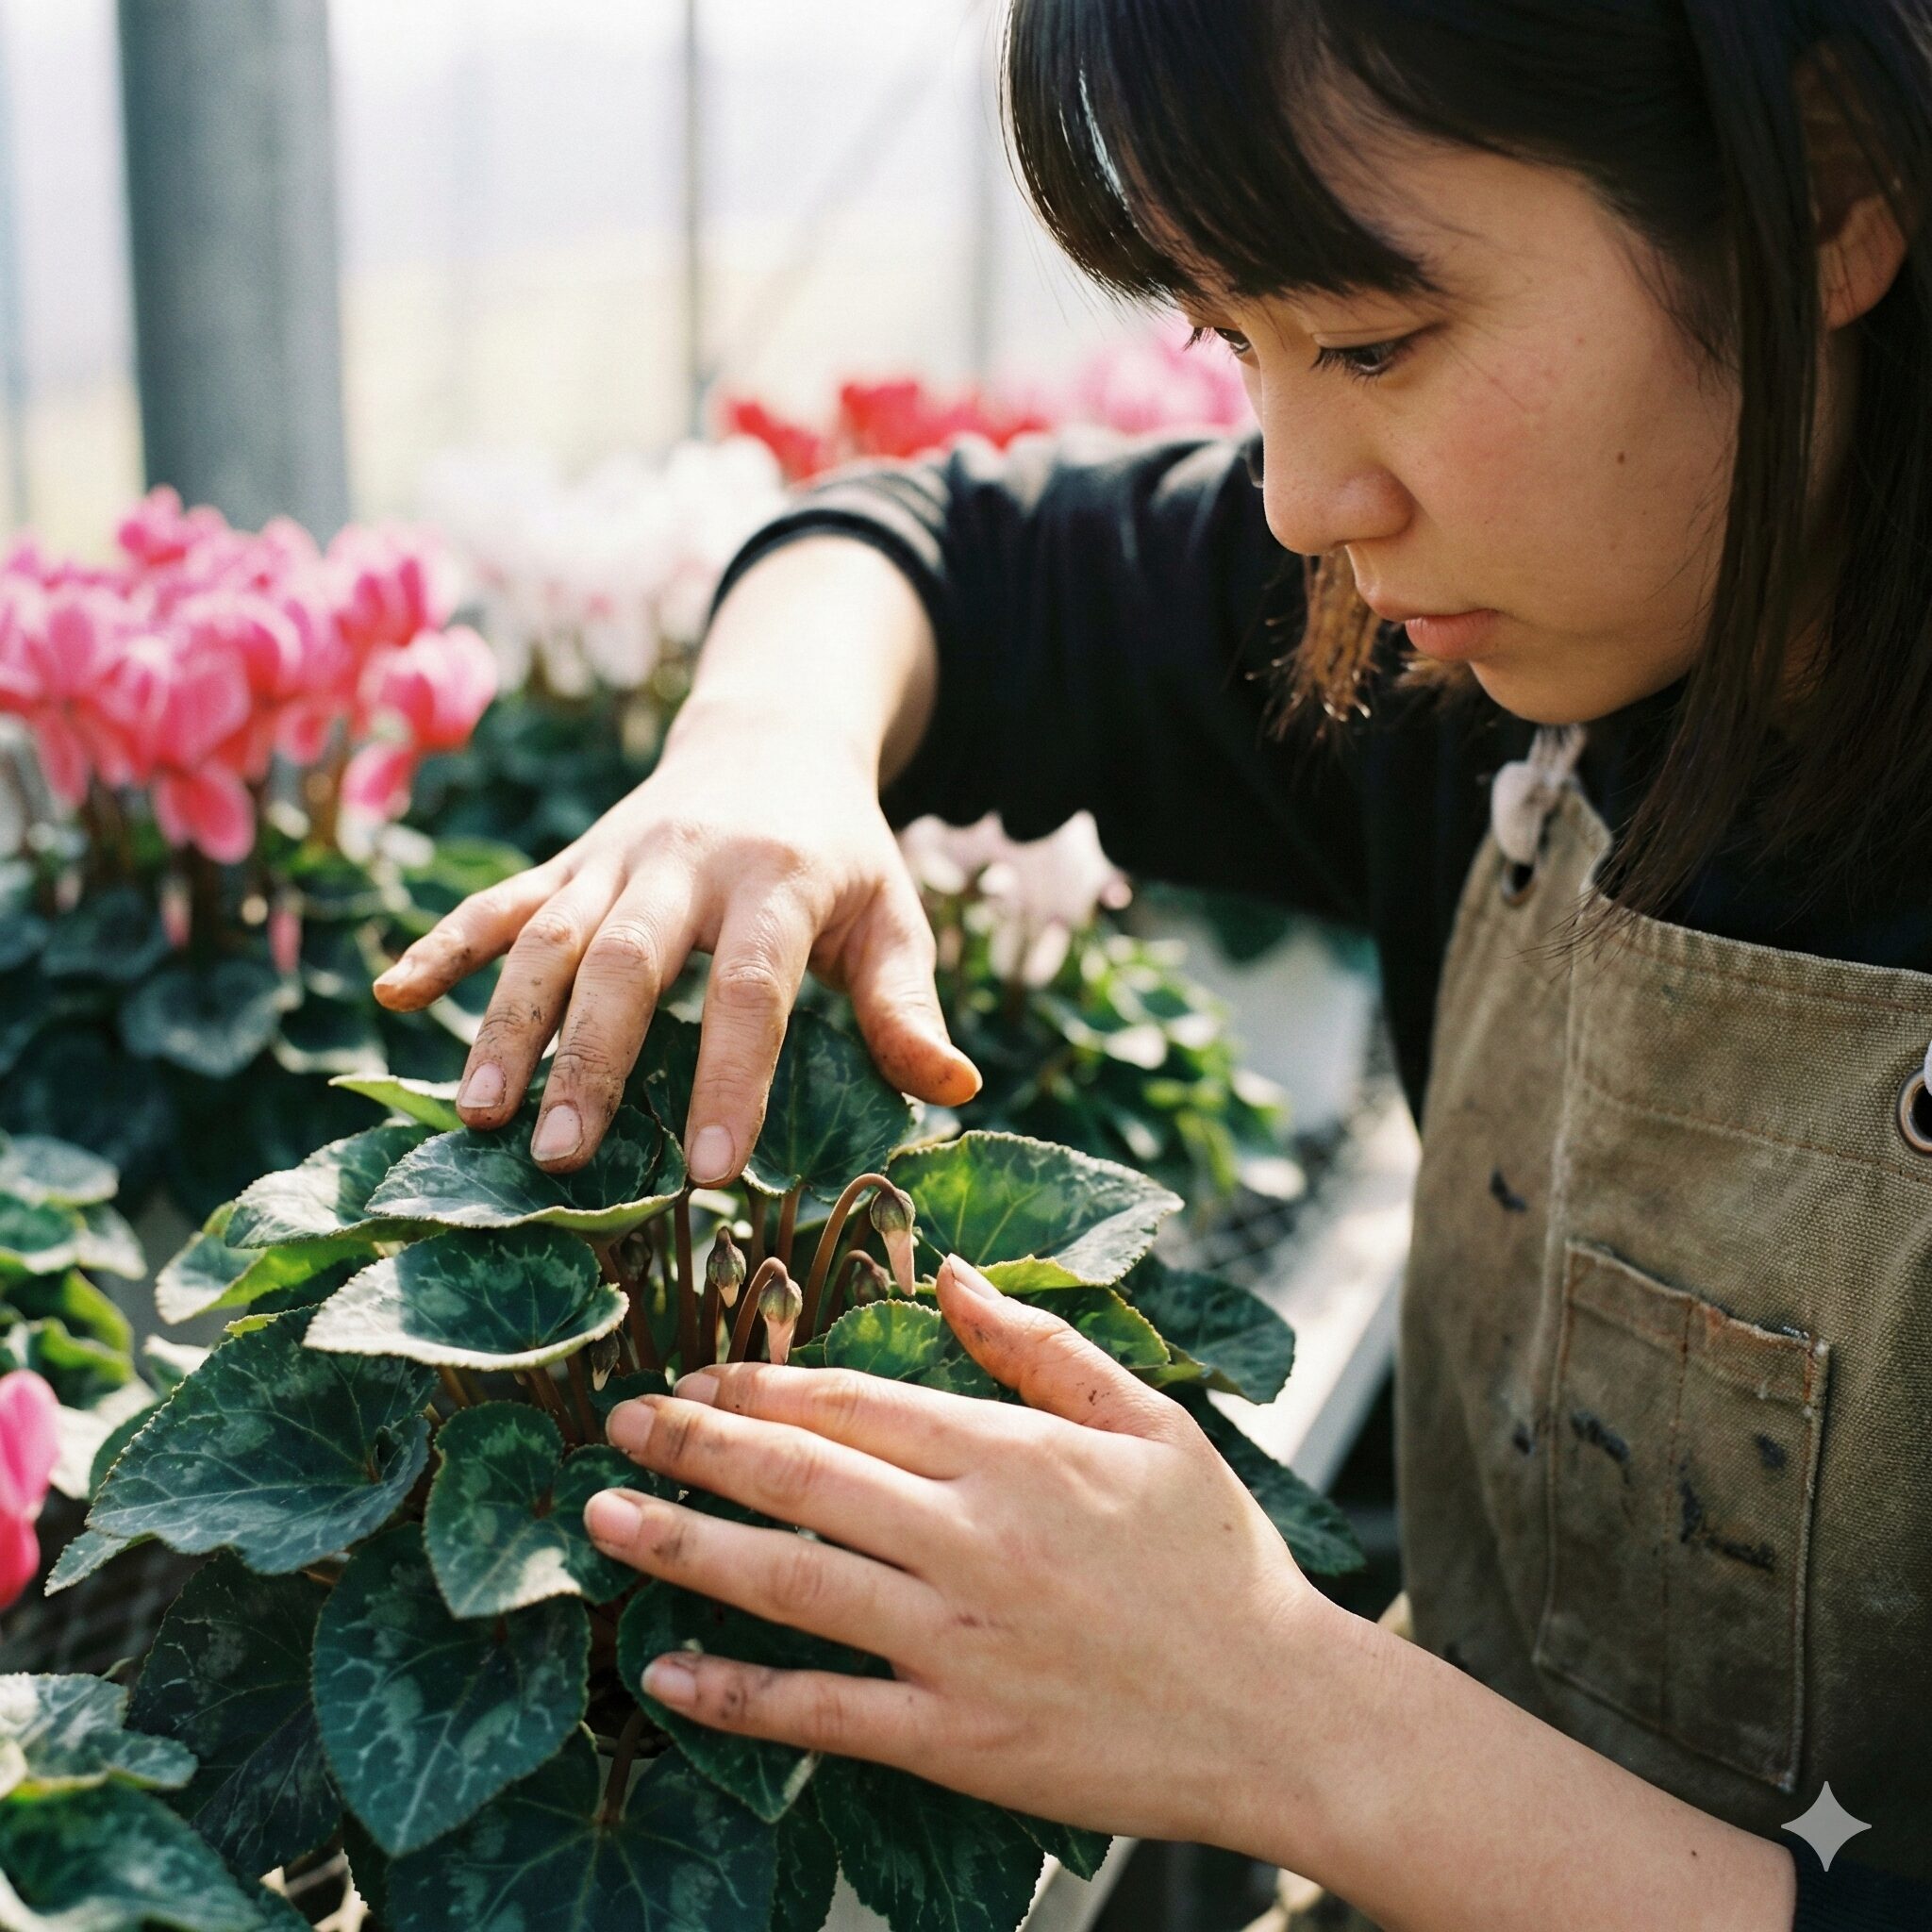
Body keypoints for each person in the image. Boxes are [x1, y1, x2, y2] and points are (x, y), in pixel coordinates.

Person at [373, 2, 1932, 1925]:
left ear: (1830, 188)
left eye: (1371, 340)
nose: (1299, 501)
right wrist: (764, 749)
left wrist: (1294, 1719)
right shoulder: (1508, 654)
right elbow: (941, 551)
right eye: (1233, 343)